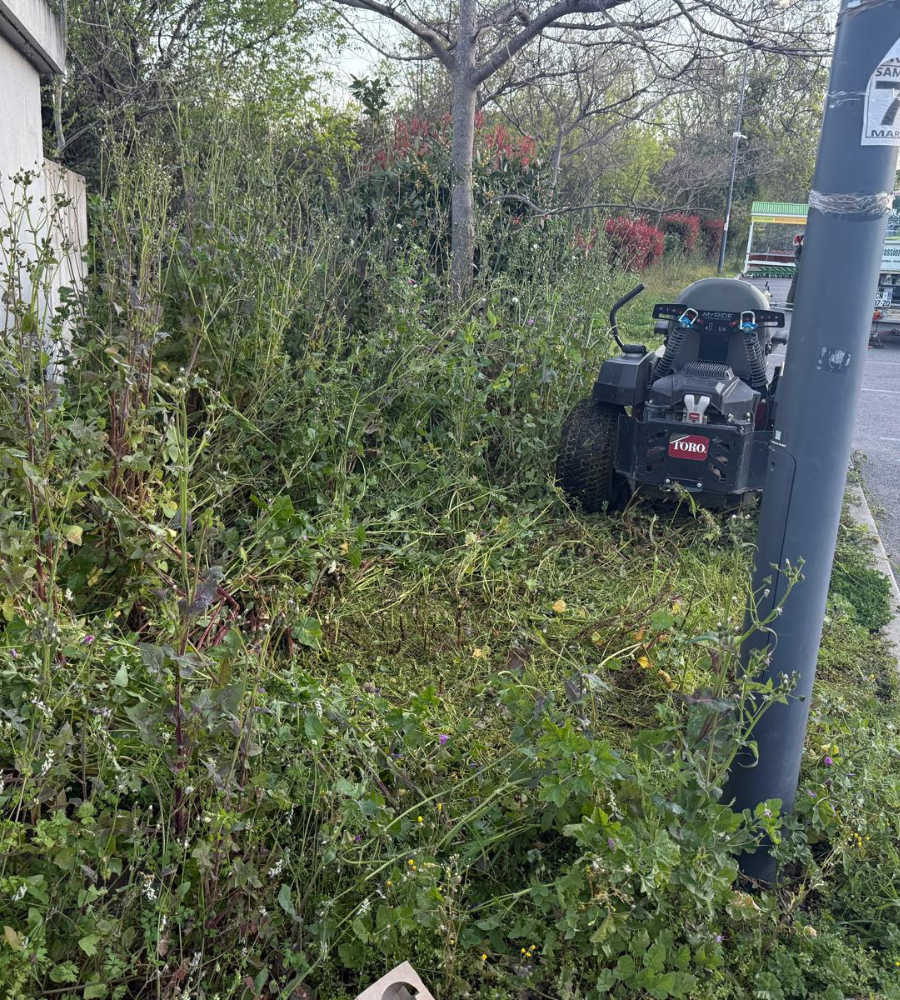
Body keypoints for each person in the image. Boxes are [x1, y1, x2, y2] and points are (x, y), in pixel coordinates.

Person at [786, 233, 804, 307]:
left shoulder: (801, 242)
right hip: (800, 267)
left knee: (794, 286)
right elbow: (797, 253)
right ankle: (790, 305)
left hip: (799, 267)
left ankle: (789, 305)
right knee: (795, 286)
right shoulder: (800, 245)